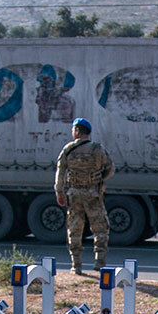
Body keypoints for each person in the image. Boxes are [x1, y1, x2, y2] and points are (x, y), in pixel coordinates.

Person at [54, 117, 114, 275]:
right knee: (100, 228)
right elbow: (110, 168)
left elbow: (60, 174)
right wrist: (99, 178)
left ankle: (76, 265)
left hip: (74, 195)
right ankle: (99, 262)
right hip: (93, 194)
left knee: (74, 229)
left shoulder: (67, 149)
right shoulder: (97, 149)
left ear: (78, 131)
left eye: (74, 129)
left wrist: (59, 193)